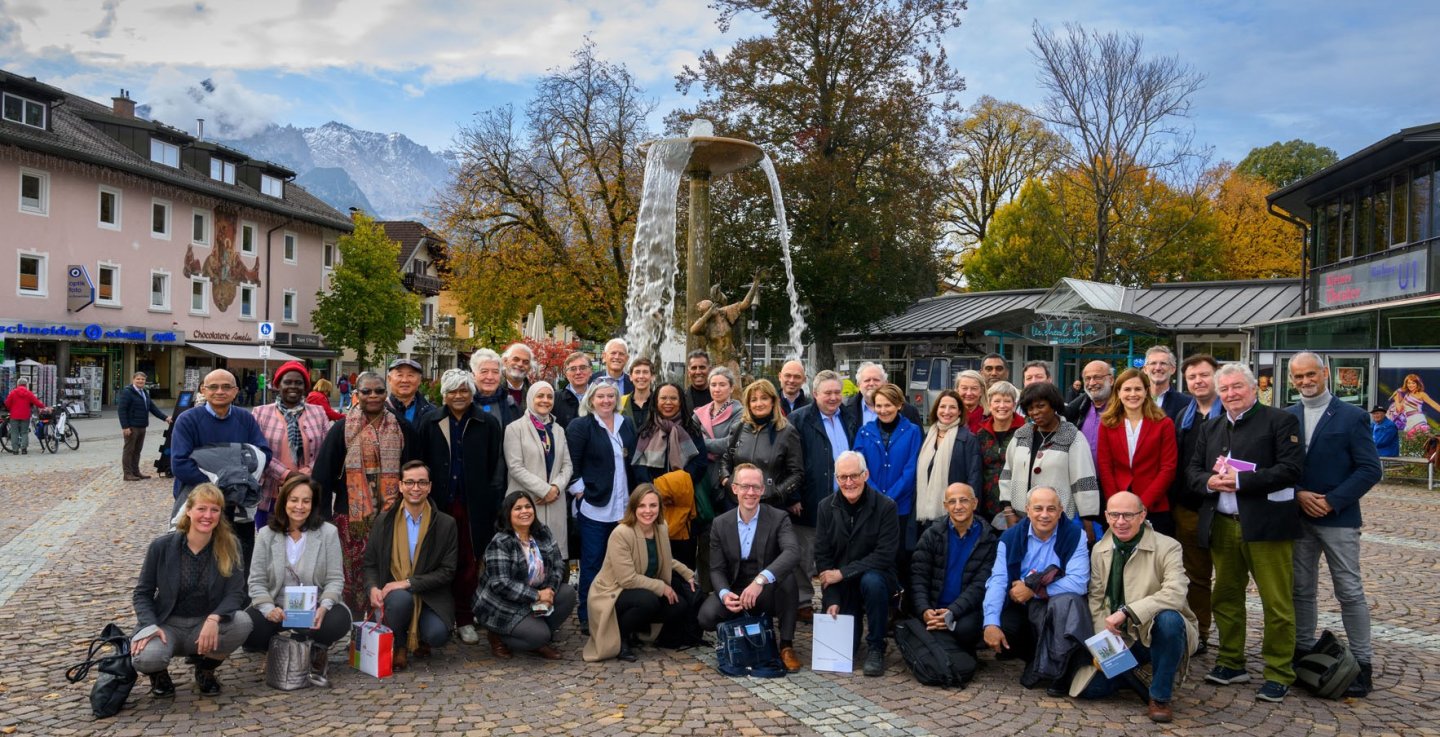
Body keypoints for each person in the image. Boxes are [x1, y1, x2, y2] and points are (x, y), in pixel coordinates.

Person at [1188, 363, 1304, 703]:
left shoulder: (1280, 421)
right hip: (1223, 524)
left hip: (1266, 526)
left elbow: (1290, 469)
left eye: (1237, 387)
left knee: (1276, 602)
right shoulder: (1211, 427)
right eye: (1224, 389)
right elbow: (1192, 471)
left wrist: (1241, 481)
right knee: (1225, 597)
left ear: (1254, 388)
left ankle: (1279, 671)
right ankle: (1230, 661)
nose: (1230, 394)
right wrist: (1208, 481)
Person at [1286, 352, 1382, 697]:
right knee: (1301, 589)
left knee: (1349, 591)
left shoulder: (1352, 416)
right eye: (1298, 377)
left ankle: (1362, 664)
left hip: (1339, 518)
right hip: (1299, 517)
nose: (1305, 382)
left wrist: (1331, 500)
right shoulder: (1287, 415)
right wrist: (1297, 494)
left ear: (1325, 373)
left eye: (1311, 374)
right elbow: (1280, 466)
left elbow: (1371, 469)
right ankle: (1302, 654)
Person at [1074, 491, 1199, 724]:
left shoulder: (1168, 546)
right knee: (1092, 690)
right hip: (1124, 636)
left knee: (1169, 619)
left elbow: (1176, 593)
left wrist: (1127, 611)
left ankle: (1160, 696)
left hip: (1157, 628)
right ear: (1106, 516)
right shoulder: (1100, 549)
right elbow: (1097, 599)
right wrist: (1105, 642)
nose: (1121, 522)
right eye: (1115, 515)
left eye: (1128, 515)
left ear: (1142, 516)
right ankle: (1141, 672)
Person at [311, 371, 420, 615]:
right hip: (351, 520)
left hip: (393, 519)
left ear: (386, 393)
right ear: (356, 395)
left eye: (379, 390)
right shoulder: (341, 429)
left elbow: (415, 472)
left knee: (389, 574)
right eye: (366, 391)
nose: (373, 395)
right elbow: (322, 477)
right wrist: (322, 519)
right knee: (353, 581)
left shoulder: (403, 428)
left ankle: (388, 631)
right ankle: (356, 630)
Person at [131, 484, 253, 697]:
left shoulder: (230, 545)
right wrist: (149, 625)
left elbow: (236, 592)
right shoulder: (161, 546)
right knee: (146, 658)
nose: (208, 515)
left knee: (242, 622)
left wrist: (214, 619)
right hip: (167, 624)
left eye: (215, 510)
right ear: (188, 511)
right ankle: (159, 673)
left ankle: (205, 669)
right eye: (202, 509)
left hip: (203, 625)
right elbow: (142, 593)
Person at [418, 368, 505, 646]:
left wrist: (492, 499)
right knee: (437, 561)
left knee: (469, 563)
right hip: (438, 504)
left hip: (474, 505)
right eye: (453, 391)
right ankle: (436, 617)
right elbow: (420, 462)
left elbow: (495, 466)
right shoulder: (430, 421)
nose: (459, 396)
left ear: (472, 393)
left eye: (464, 390)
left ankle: (466, 618)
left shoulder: (487, 422)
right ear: (444, 395)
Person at [981, 487, 1092, 693]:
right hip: (1021, 606)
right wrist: (990, 623)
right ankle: (1034, 656)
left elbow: (1079, 582)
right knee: (1004, 627)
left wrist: (1034, 590)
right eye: (1038, 508)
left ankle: (1058, 668)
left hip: (1056, 606)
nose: (1044, 514)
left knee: (1065, 601)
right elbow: (998, 580)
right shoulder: (1009, 537)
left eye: (1051, 509)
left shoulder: (1076, 536)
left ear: (1060, 512)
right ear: (1027, 510)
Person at [242, 475, 350, 679]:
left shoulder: (328, 533)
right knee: (247, 625)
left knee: (339, 620)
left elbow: (335, 579)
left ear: (313, 504)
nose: (299, 506)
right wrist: (268, 609)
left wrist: (324, 606)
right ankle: (275, 649)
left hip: (313, 605)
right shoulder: (266, 534)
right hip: (277, 605)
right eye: (293, 500)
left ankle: (314, 646)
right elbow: (256, 581)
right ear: (284, 502)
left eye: (306, 501)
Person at [700, 464, 804, 671]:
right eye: (745, 486)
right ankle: (745, 625)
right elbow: (716, 569)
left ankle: (786, 644)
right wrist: (723, 594)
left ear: (763, 490)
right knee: (706, 617)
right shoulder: (720, 523)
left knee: (788, 579)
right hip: (736, 586)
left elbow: (792, 552)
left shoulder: (778, 517)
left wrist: (761, 580)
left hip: (766, 589)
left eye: (756, 487)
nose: (751, 492)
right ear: (734, 488)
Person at [582, 485, 698, 662]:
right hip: (613, 591)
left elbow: (665, 559)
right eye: (642, 506)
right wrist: (662, 587)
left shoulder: (661, 527)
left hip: (643, 588)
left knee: (679, 605)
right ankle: (621, 638)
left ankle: (639, 631)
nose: (648, 511)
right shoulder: (621, 533)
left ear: (660, 507)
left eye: (653, 505)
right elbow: (627, 579)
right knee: (648, 601)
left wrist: (687, 573)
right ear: (633, 507)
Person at [363, 461, 460, 671]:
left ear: (430, 486)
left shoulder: (445, 524)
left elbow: (447, 571)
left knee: (437, 634)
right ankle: (399, 644)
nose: (415, 488)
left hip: (430, 596)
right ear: (400, 486)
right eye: (410, 482)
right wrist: (372, 588)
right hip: (395, 598)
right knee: (400, 599)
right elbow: (370, 563)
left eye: (422, 483)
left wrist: (408, 582)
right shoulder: (383, 521)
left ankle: (421, 637)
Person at [815, 451, 900, 677]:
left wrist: (843, 573)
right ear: (836, 479)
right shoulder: (825, 507)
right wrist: (831, 598)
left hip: (876, 578)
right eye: (843, 477)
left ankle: (876, 646)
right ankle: (854, 629)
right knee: (842, 652)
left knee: (872, 581)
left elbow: (885, 555)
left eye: (854, 476)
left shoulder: (886, 507)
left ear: (866, 475)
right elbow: (823, 557)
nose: (849, 482)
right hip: (842, 586)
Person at [567, 382, 637, 630]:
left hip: (623, 507)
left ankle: (615, 612)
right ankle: (587, 614)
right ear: (591, 399)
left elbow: (633, 460)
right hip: (595, 507)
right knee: (592, 563)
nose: (606, 400)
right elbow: (572, 463)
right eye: (601, 396)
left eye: (611, 396)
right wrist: (579, 490)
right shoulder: (581, 425)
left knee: (620, 563)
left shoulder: (626, 423)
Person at [474, 491, 576, 659]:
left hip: (534, 597)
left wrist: (549, 589)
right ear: (508, 513)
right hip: (503, 605)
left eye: (528, 506)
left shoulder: (542, 532)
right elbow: (501, 584)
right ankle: (498, 635)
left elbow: (558, 563)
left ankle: (534, 636)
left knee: (567, 594)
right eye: (518, 508)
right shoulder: (500, 542)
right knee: (540, 635)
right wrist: (536, 595)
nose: (525, 511)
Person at [909, 482, 999, 662]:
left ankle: (955, 655)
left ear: (975, 503)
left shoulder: (988, 539)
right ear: (945, 506)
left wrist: (951, 612)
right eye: (952, 502)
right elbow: (918, 578)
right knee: (921, 628)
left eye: (964, 500)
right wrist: (925, 610)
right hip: (933, 607)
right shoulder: (931, 534)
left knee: (965, 630)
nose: (958, 506)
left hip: (965, 610)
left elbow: (980, 585)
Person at [1171, 354, 1225, 653]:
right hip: (1190, 507)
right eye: (1192, 377)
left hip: (1226, 508)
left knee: (1229, 580)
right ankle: (1200, 632)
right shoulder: (1184, 415)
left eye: (1204, 375)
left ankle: (1231, 642)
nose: (1198, 381)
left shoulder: (1230, 413)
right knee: (1195, 576)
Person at [788, 370, 852, 621]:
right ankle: (804, 602)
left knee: (837, 555)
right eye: (828, 393)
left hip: (844, 499)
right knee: (805, 555)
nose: (834, 397)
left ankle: (833, 601)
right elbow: (790, 461)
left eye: (838, 392)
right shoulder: (798, 419)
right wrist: (793, 496)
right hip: (810, 497)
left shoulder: (850, 417)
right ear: (815, 394)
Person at [998, 382, 1099, 525]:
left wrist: (1087, 520)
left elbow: (1084, 481)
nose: (1035, 412)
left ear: (1054, 405)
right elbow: (1007, 474)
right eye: (1030, 408)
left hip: (1059, 520)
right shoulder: (1021, 434)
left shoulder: (1072, 436)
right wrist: (1008, 511)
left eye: (1040, 406)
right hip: (1021, 518)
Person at [631, 382, 708, 568]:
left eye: (673, 398)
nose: (668, 402)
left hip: (683, 506)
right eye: (663, 398)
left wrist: (673, 487)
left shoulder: (692, 430)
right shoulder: (646, 431)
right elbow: (637, 466)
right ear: (655, 401)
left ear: (681, 401)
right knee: (652, 563)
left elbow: (700, 464)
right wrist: (655, 491)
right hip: (652, 507)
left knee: (683, 564)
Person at [853, 383, 922, 584]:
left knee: (900, 554)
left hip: (901, 506)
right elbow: (860, 466)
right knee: (873, 551)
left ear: (899, 405)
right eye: (879, 406)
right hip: (870, 504)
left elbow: (911, 468)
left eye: (889, 405)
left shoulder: (912, 431)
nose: (883, 410)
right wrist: (876, 495)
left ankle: (899, 600)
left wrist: (890, 497)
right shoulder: (865, 432)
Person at [1096, 369, 1177, 533]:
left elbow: (1168, 468)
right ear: (1118, 393)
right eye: (1127, 389)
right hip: (1117, 505)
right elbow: (1105, 466)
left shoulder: (1164, 424)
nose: (1133, 394)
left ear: (1146, 392)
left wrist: (1141, 505)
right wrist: (1117, 504)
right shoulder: (1107, 424)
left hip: (1154, 505)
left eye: (1138, 389)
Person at [252, 361, 332, 529]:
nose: (293, 386)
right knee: (271, 546)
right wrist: (286, 475)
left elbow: (326, 450)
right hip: (271, 494)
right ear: (278, 385)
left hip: (308, 494)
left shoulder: (318, 412)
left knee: (305, 545)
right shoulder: (260, 413)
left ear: (305, 387)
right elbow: (256, 451)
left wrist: (306, 473)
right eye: (287, 382)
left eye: (299, 382)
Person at [504, 381, 575, 559]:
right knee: (524, 557)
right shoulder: (515, 428)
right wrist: (544, 490)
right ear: (530, 398)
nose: (545, 400)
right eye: (540, 396)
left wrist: (555, 488)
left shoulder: (558, 430)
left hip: (554, 501)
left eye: (549, 396)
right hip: (527, 500)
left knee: (552, 557)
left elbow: (567, 465)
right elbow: (515, 467)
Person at [717, 379, 803, 512]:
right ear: (748, 404)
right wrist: (726, 481)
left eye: (764, 398)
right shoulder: (738, 428)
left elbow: (797, 473)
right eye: (754, 400)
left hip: (769, 505)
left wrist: (778, 493)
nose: (759, 404)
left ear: (773, 401)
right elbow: (726, 458)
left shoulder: (787, 432)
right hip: (735, 502)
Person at [916, 390, 983, 537]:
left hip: (955, 515)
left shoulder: (968, 439)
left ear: (959, 411)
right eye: (942, 406)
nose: (947, 411)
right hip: (925, 515)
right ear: (936, 409)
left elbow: (974, 477)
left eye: (952, 407)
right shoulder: (928, 437)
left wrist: (969, 510)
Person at [695, 366, 743, 503]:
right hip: (702, 473)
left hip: (726, 474)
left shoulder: (740, 413)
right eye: (713, 385)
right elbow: (688, 439)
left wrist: (702, 442)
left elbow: (730, 444)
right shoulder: (700, 413)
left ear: (732, 388)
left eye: (722, 385)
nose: (717, 389)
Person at [976, 381, 1021, 520]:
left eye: (1007, 401)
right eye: (997, 401)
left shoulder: (1025, 431)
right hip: (987, 505)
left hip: (1018, 504)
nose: (1002, 406)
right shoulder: (981, 434)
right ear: (989, 405)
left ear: (1014, 405)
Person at [842, 362, 922, 438]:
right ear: (859, 385)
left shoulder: (908, 411)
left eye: (876, 380)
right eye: (867, 380)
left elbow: (920, 445)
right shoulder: (846, 410)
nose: (871, 383)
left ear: (885, 383)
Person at [118, 371, 172, 479]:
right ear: (133, 380)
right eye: (138, 379)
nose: (140, 381)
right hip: (131, 427)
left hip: (142, 426)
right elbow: (121, 410)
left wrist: (165, 418)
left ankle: (136, 471)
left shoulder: (144, 392)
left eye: (142, 379)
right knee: (129, 450)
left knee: (137, 450)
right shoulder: (128, 392)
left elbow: (152, 408)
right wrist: (125, 427)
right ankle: (127, 474)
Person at [1063, 360, 1115, 469]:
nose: (1091, 383)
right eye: (1087, 378)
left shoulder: (1123, 409)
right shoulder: (1079, 408)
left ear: (1110, 380)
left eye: (1097, 377)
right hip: (1083, 479)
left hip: (1115, 482)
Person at [1144, 346, 1194, 426]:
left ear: (1172, 369)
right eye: (1153, 363)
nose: (1158, 368)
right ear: (1145, 369)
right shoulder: (1136, 400)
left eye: (1163, 363)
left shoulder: (1187, 403)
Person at [471, 349, 521, 427]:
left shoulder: (511, 405)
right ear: (473, 375)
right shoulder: (463, 404)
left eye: (495, 372)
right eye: (484, 371)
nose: (490, 377)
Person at [1387, 372, 1440, 437]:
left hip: (1418, 420)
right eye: (1409, 383)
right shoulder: (1407, 395)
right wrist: (1396, 399)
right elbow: (1399, 410)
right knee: (1412, 445)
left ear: (1417, 384)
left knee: (1422, 440)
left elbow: (1434, 404)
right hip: (1409, 422)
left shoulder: (1421, 394)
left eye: (1413, 383)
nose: (1411, 385)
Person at [385, 358, 434, 428]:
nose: (405, 380)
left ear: (419, 380)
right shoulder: (379, 410)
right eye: (400, 375)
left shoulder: (432, 412)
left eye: (410, 375)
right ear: (389, 379)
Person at [4, 377, 45, 455]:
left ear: (18, 384)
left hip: (14, 415)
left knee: (14, 432)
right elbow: (36, 402)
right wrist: (43, 407)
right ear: (26, 385)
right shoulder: (29, 393)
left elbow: (7, 403)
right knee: (24, 432)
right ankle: (24, 449)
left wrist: (10, 409)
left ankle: (15, 450)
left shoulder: (13, 392)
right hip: (25, 415)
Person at [555, 351, 592, 428]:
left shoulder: (601, 398)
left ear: (591, 371)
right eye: (573, 369)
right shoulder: (554, 399)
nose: (578, 372)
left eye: (583, 368)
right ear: (566, 374)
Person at [620, 356, 656, 430]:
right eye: (637, 372)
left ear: (652, 377)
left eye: (645, 372)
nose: (641, 376)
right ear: (630, 377)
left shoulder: (659, 403)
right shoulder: (620, 402)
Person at [501, 342, 534, 408]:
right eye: (516, 359)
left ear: (529, 368)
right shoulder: (491, 387)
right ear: (505, 361)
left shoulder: (534, 393)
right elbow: (485, 409)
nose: (520, 364)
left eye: (525, 362)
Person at [954, 370, 987, 434]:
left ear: (981, 391)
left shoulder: (990, 418)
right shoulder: (949, 416)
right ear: (957, 390)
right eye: (964, 388)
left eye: (974, 388)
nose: (969, 393)